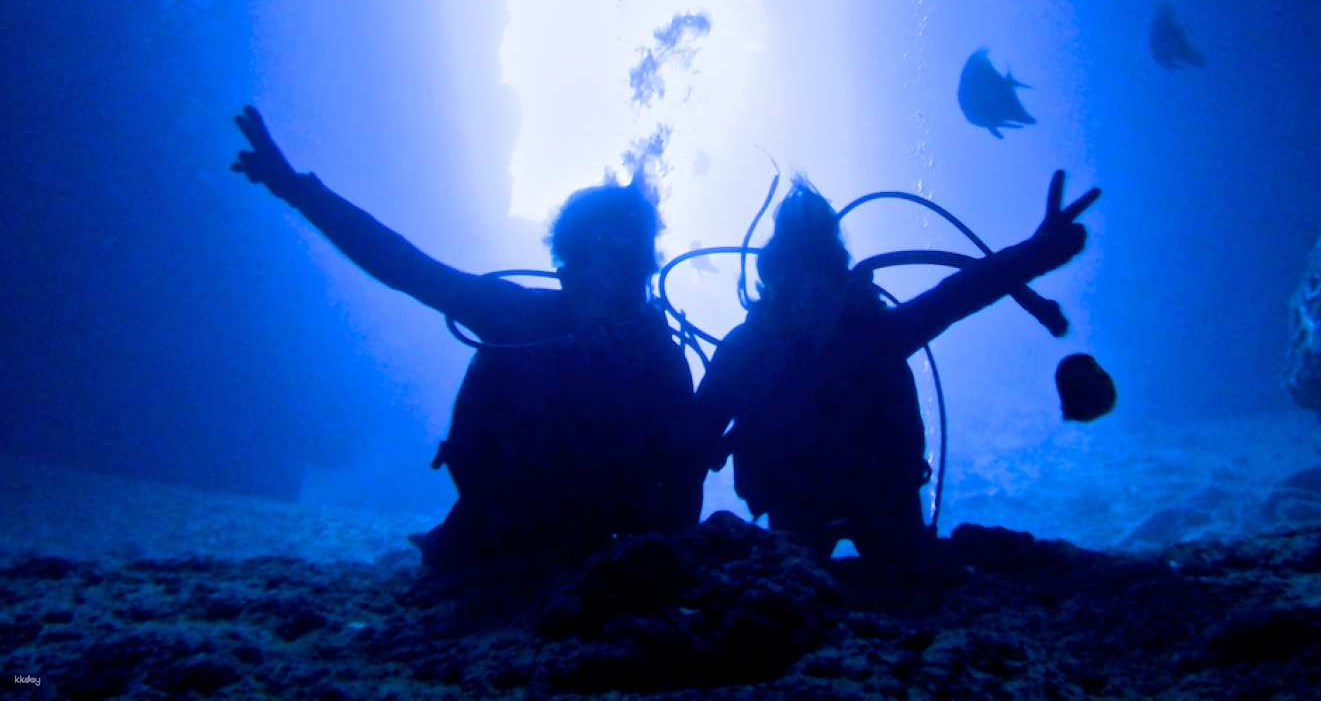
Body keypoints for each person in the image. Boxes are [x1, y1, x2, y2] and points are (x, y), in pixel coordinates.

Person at [230, 105, 699, 570]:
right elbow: (406, 268)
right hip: (493, 527)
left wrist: (664, 563)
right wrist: (296, 190)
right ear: (565, 266)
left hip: (598, 550)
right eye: (591, 261)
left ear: (641, 272)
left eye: (618, 265)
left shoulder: (658, 356)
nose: (603, 281)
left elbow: (683, 478)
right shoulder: (517, 316)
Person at [692, 170, 1100, 561]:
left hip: (883, 498)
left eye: (822, 283)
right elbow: (691, 442)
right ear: (776, 285)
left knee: (905, 573)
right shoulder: (747, 353)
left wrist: (1041, 249)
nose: (810, 300)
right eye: (796, 285)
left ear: (842, 283)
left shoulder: (874, 336)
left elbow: (965, 291)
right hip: (797, 506)